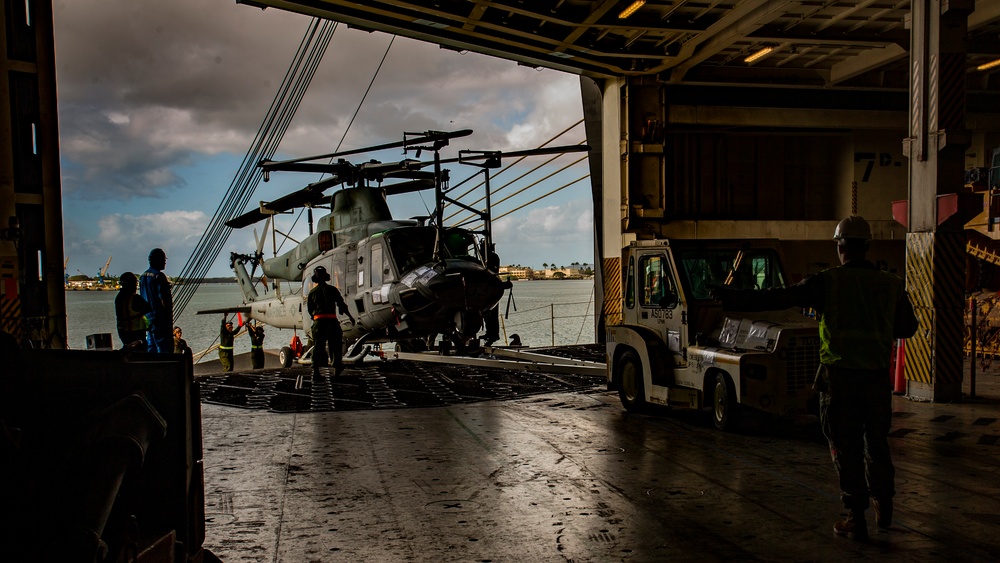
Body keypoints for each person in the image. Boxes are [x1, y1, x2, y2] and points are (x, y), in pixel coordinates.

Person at [712, 215, 917, 542]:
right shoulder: (890, 284)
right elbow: (908, 328)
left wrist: (732, 297)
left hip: (840, 379)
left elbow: (781, 298)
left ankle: (854, 517)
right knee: (876, 442)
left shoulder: (828, 282)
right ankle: (884, 504)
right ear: (867, 246)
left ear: (840, 247)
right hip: (877, 381)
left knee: (844, 446)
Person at [307, 266, 355, 378]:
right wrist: (350, 317)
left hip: (319, 322)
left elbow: (310, 310)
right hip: (332, 322)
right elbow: (342, 305)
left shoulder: (312, 293)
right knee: (335, 346)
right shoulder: (333, 290)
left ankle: (316, 371)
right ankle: (337, 367)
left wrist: (316, 319)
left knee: (318, 347)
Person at [139, 248, 173, 354]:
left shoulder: (143, 276)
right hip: (158, 317)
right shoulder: (159, 276)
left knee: (151, 343)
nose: (165, 262)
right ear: (157, 260)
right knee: (163, 346)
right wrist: (168, 316)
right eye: (163, 260)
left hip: (147, 317)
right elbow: (164, 299)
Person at [115, 272, 150, 350]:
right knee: (140, 352)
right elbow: (148, 308)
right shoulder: (134, 298)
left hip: (123, 331)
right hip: (136, 332)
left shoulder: (119, 297)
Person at [481, 242, 501, 345]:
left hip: (490, 289)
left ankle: (493, 334)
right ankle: (490, 332)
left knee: (491, 314)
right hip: (487, 289)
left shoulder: (492, 257)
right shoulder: (484, 257)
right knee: (487, 314)